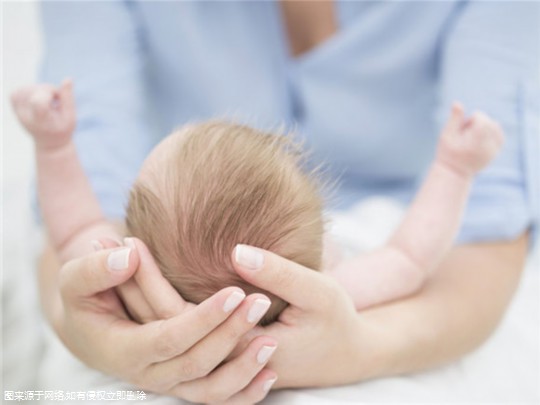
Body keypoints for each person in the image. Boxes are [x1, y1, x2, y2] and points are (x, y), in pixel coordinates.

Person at [34, 1, 537, 403]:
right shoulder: (335, 289)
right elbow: (412, 252)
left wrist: (54, 147)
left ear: (134, 250)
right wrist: (453, 166)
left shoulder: (127, 293)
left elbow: (75, 223)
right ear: (319, 254)